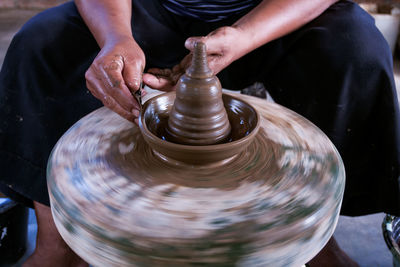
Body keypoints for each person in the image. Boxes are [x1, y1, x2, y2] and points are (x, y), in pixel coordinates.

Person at [0, 0, 399, 266]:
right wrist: (115, 37)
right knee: (41, 46)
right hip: (149, 9)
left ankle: (318, 241)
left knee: (358, 50)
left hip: (272, 12)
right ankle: (58, 247)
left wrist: (245, 35)